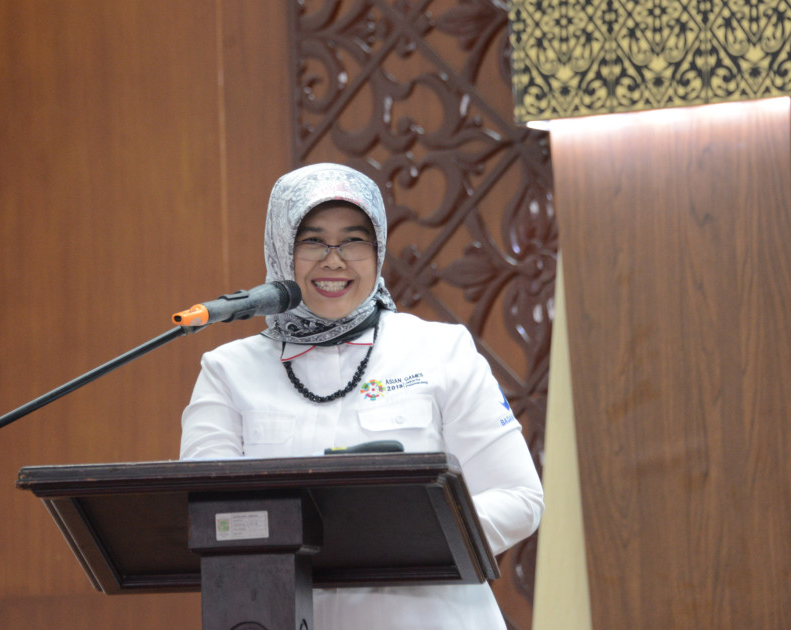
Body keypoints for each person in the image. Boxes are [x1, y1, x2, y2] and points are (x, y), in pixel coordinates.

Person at [180, 163, 544, 629]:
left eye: (354, 240)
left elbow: (518, 497)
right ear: (281, 247)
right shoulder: (228, 371)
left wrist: (414, 537)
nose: (334, 261)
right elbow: (208, 517)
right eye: (312, 241)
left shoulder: (440, 349)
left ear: (379, 250)